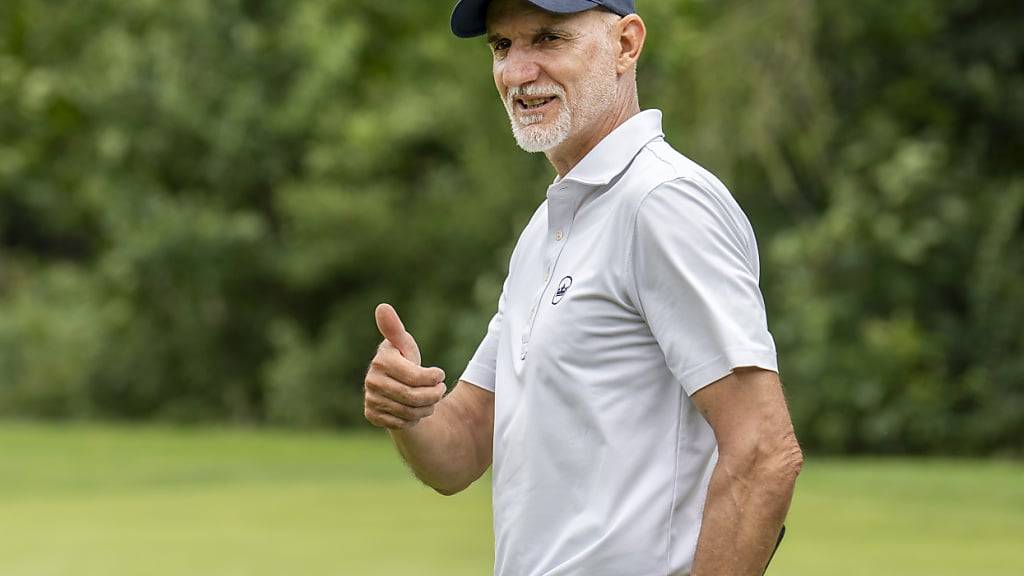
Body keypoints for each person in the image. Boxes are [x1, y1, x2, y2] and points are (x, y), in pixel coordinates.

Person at [362, 0, 803, 574]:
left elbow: (764, 452)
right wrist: (409, 411)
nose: (517, 72)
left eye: (548, 39)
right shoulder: (550, 227)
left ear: (626, 45)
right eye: (502, 45)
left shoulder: (662, 202)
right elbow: (465, 443)